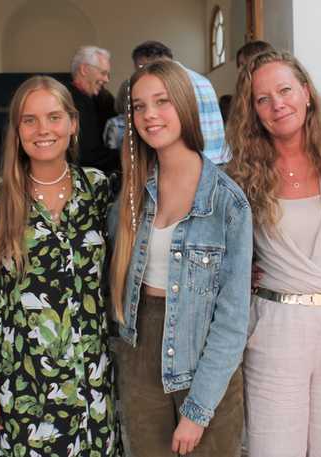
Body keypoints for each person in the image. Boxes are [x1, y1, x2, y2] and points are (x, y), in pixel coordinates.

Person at [0, 75, 122, 456]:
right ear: (16, 130)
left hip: (90, 375)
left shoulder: (99, 190)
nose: (43, 130)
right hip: (21, 380)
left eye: (53, 117)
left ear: (73, 123)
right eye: (29, 120)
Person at [108, 59, 253, 456]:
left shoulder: (228, 203)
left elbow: (233, 317)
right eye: (138, 106)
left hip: (205, 353)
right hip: (140, 349)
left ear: (185, 107)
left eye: (162, 101)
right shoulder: (131, 195)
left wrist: (199, 408)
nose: (149, 115)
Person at [226, 50, 321, 457]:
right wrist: (239, 270)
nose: (277, 104)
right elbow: (219, 248)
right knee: (273, 447)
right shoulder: (241, 174)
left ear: (306, 93)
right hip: (276, 324)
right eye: (262, 99)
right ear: (253, 112)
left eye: (285, 90)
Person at [121, 40, 229, 165]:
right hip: (218, 159)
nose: (140, 74)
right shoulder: (202, 80)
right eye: (138, 106)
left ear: (151, 63)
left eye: (141, 67)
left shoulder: (172, 83)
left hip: (191, 165)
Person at [68, 45, 119, 175]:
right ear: (84, 69)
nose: (106, 79)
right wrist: (127, 157)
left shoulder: (98, 99)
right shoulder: (70, 103)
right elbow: (87, 154)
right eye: (103, 73)